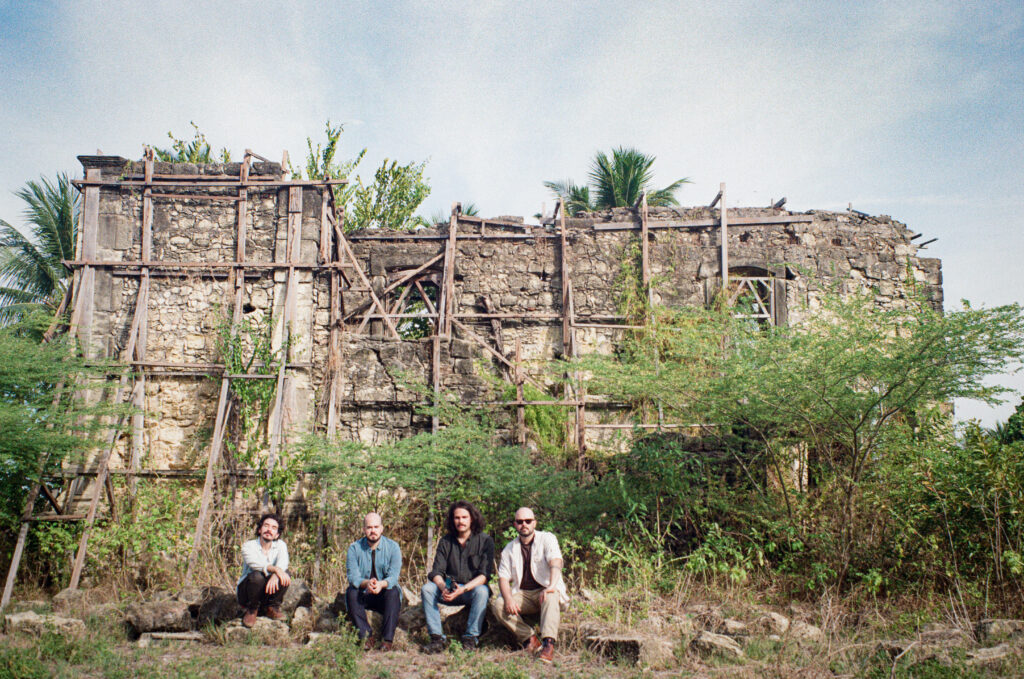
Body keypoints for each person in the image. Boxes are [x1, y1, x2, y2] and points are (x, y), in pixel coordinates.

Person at [490, 507, 567, 663]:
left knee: (551, 594)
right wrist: (509, 599)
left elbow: (556, 561)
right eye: (520, 522)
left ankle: (548, 644)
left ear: (534, 523)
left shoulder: (547, 539)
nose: (524, 524)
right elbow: (503, 578)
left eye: (528, 521)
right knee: (498, 604)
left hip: (545, 590)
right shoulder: (509, 549)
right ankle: (530, 639)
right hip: (524, 594)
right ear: (515, 525)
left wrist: (551, 586)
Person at [421, 500, 495, 652]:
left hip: (471, 591)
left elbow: (484, 576)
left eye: (464, 517)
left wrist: (463, 589)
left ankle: (470, 639)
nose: (460, 521)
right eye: (457, 518)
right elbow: (436, 572)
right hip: (449, 589)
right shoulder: (445, 541)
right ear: (452, 520)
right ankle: (437, 639)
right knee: (427, 589)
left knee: (482, 591)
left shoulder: (485, 541)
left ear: (472, 518)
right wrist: (443, 587)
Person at [345, 512, 402, 651]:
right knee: (351, 592)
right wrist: (367, 583)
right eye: (369, 527)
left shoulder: (393, 547)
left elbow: (394, 577)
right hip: (365, 594)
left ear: (382, 528)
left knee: (394, 591)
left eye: (376, 527)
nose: (373, 531)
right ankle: (366, 637)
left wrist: (381, 584)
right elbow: (353, 577)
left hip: (384, 595)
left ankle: (387, 640)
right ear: (364, 529)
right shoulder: (354, 548)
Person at [237, 512, 291, 628]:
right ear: (260, 530)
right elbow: (255, 563)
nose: (269, 530)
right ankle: (252, 610)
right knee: (257, 576)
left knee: (285, 574)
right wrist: (275, 569)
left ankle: (271, 607)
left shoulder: (281, 545)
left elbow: (283, 562)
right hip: (248, 592)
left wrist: (276, 574)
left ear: (277, 535)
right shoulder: (249, 546)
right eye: (266, 526)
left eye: (273, 528)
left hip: (267, 591)